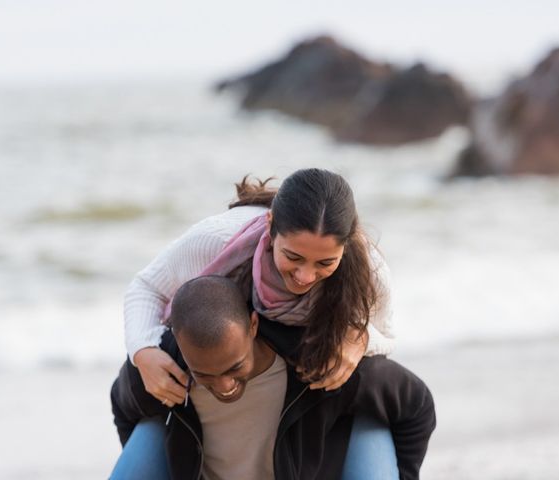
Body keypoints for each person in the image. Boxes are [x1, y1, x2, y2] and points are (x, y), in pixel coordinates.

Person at [114, 168, 402, 475]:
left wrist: (359, 339)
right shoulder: (216, 241)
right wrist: (143, 351)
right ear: (270, 226)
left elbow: (386, 334)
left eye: (325, 263)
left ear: (345, 247)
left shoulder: (368, 273)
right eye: (293, 256)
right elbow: (146, 288)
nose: (305, 276)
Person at [111, 276, 436, 479]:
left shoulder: (316, 361)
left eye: (234, 367)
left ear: (253, 326)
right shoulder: (163, 369)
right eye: (205, 374)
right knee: (152, 423)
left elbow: (416, 405)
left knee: (372, 422)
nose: (223, 385)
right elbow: (123, 405)